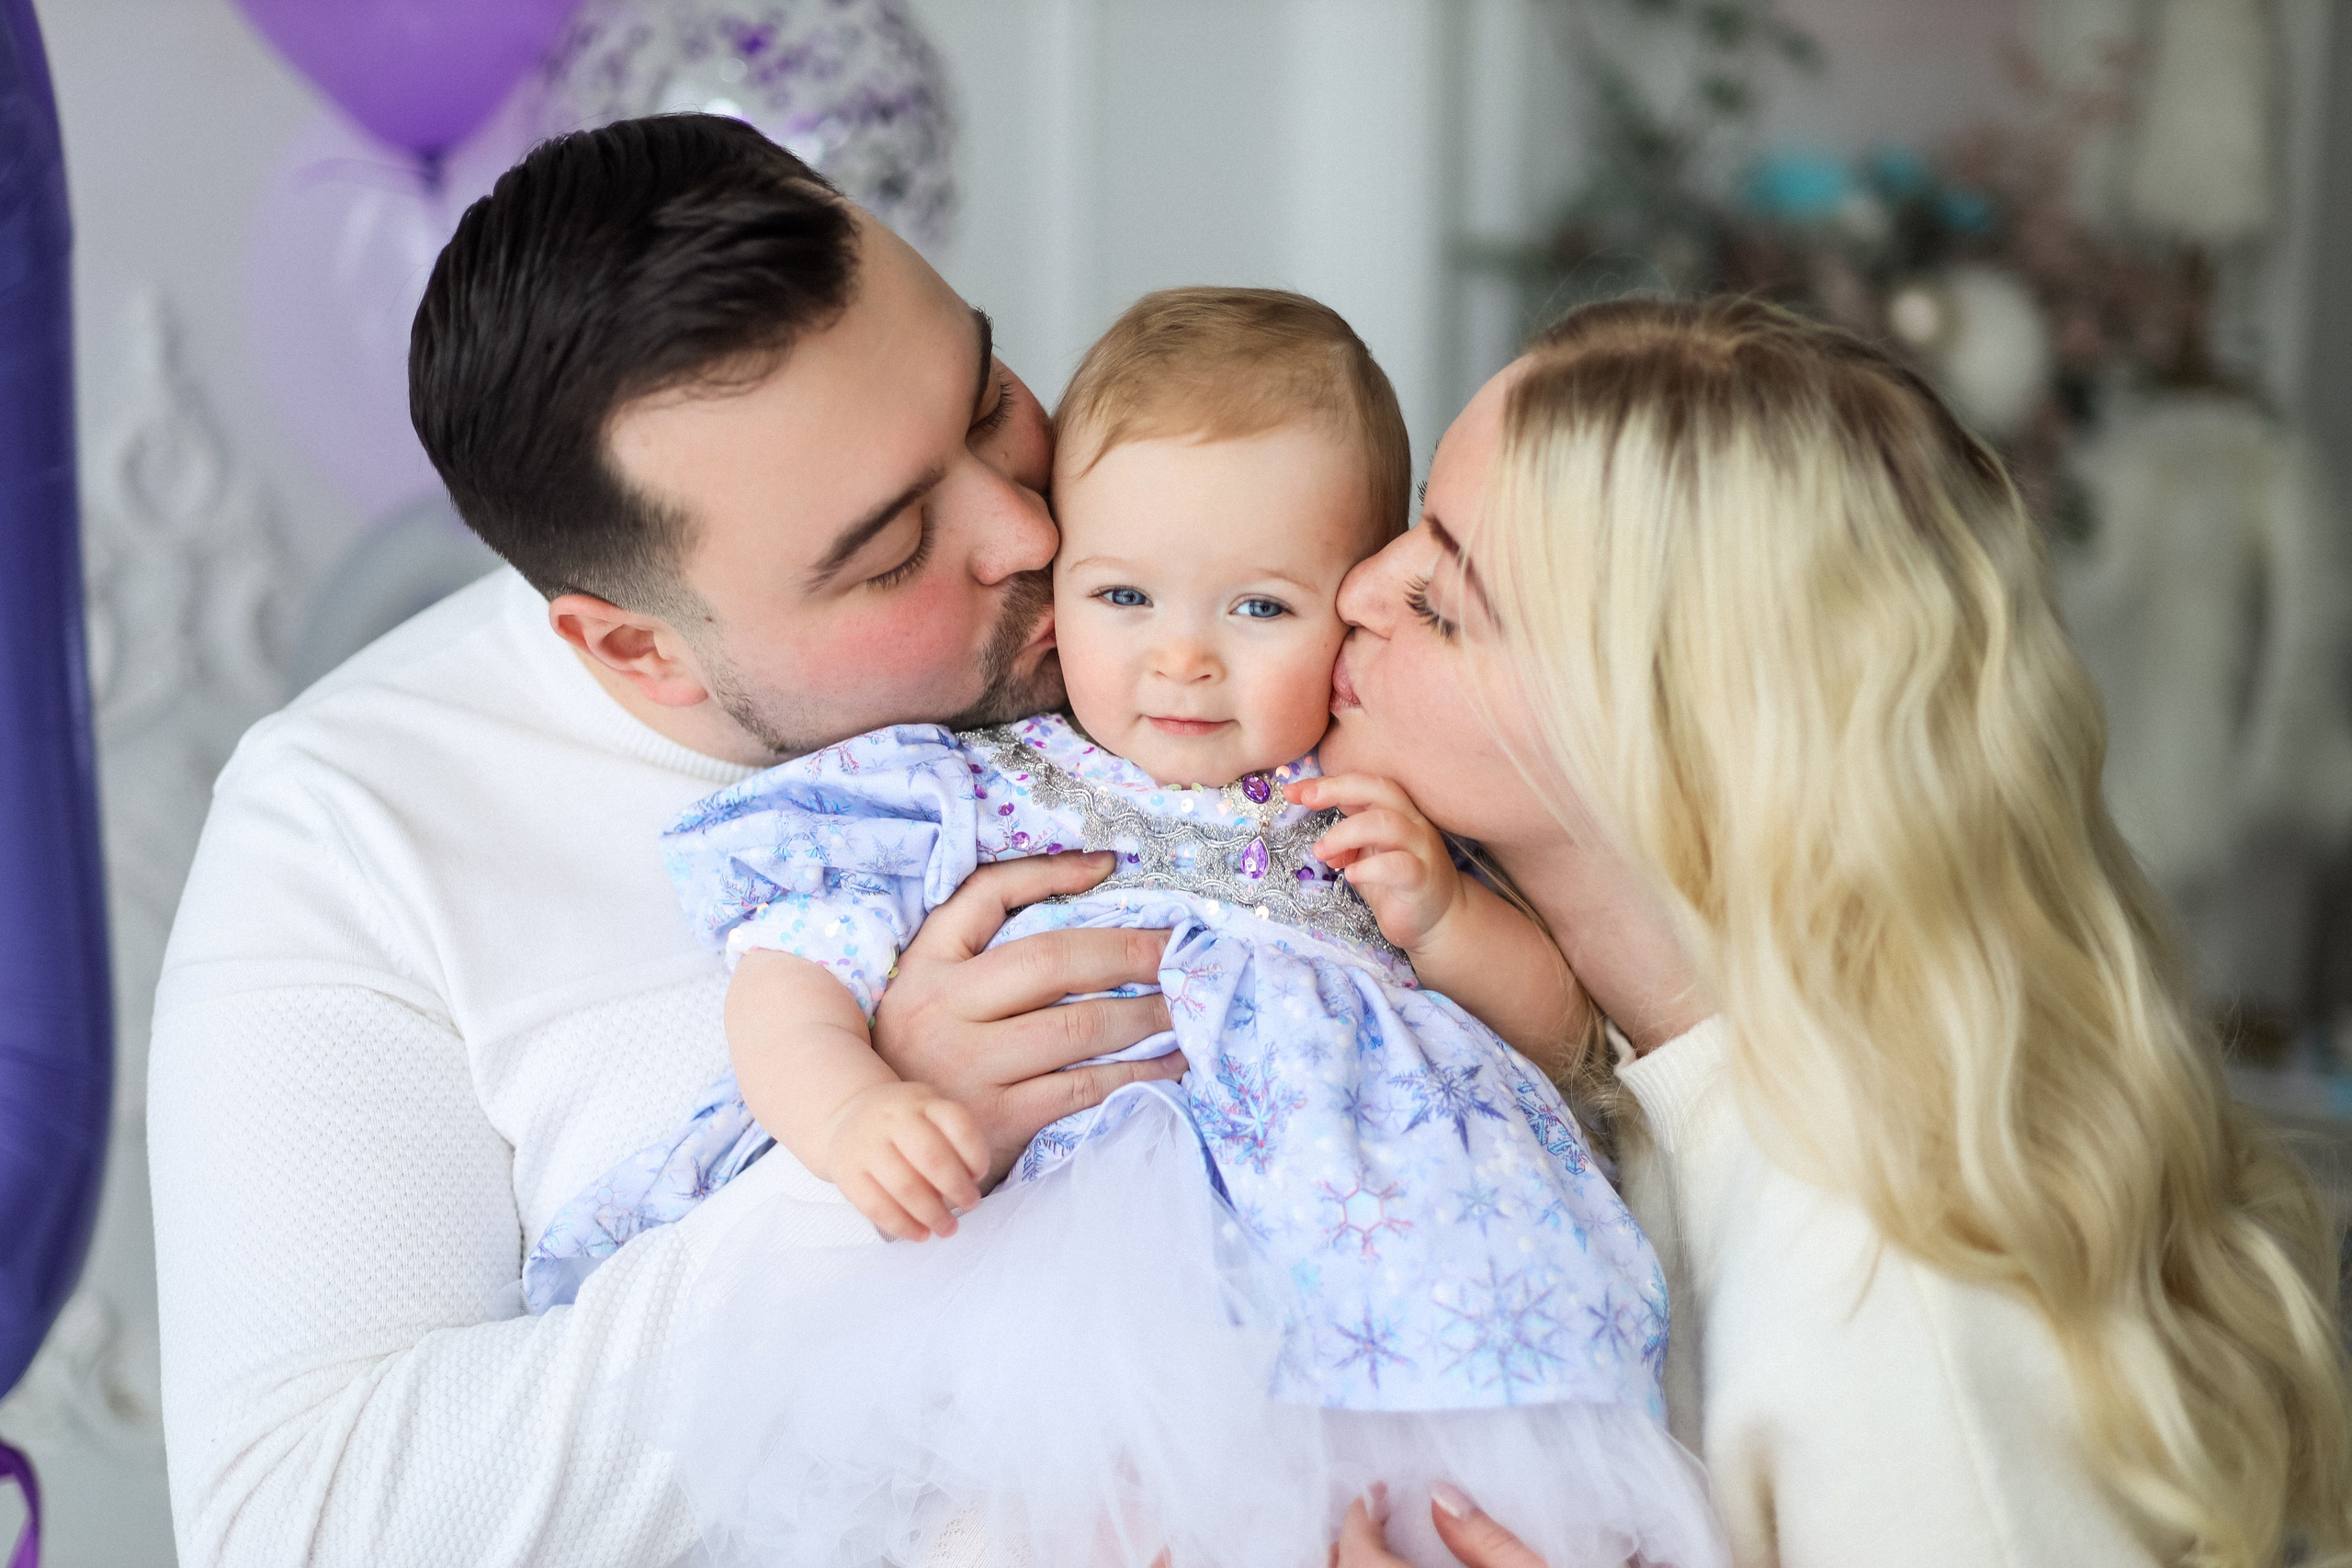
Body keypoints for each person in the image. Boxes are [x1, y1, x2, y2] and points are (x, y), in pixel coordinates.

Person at [524, 288, 1724, 1568]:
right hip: (1088, 1269)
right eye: (1124, 598)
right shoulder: (977, 784)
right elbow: (785, 975)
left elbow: (1558, 1036)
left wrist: (1443, 917)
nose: (1183, 660)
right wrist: (850, 1111)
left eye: (1259, 608)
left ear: (1359, 594)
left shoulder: (1389, 785)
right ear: (1058, 594)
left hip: (1392, 1285)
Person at [146, 114, 1189, 1565]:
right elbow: (304, 1528)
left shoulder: (1168, 554)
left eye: (989, 398)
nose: (1027, 531)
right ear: (638, 650)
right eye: (893, 553)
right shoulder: (351, 832)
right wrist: (872, 1159)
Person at [1323, 296, 2352, 1567]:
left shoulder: (1890, 1298)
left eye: (1444, 601)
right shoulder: (1525, 1033)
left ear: (1672, 736)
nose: (1357, 586)